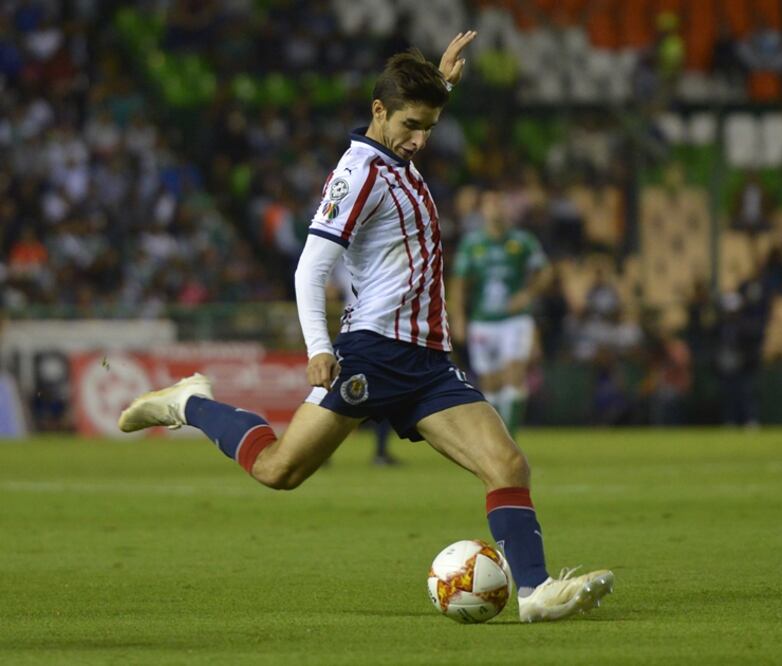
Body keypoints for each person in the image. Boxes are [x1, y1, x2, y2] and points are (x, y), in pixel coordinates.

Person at [116, 32, 613, 623]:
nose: (421, 139)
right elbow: (309, 269)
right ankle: (189, 404)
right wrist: (319, 347)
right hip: (372, 353)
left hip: (428, 362)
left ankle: (532, 593)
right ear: (378, 112)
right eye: (411, 125)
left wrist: (442, 83)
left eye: (429, 126)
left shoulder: (397, 152)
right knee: (280, 470)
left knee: (507, 465)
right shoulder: (359, 175)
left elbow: (413, 119)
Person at [448, 187, 552, 438]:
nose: (495, 208)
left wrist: (527, 294)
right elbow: (459, 283)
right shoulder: (473, 244)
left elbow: (545, 271)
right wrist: (458, 318)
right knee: (490, 382)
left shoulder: (522, 240)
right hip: (483, 320)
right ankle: (496, 436)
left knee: (514, 373)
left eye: (499, 203)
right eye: (490, 203)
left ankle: (510, 437)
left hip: (515, 319)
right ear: (482, 210)